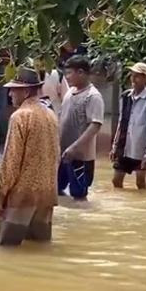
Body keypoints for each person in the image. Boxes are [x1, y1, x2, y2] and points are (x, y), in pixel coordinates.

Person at [0, 68, 59, 246]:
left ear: (26, 91)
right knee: (40, 249)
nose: (10, 94)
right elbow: (55, 156)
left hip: (23, 195)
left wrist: (1, 194)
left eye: (13, 89)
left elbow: (11, 160)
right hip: (47, 193)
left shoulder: (20, 117)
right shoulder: (51, 115)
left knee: (4, 248)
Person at [58, 55, 105, 201]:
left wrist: (75, 147)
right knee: (56, 191)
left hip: (81, 157)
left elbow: (95, 126)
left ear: (80, 72)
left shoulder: (93, 96)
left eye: (69, 73)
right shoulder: (69, 92)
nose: (67, 77)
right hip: (63, 154)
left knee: (79, 197)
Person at [110, 63, 146, 189]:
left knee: (140, 182)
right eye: (133, 75)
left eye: (138, 76)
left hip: (141, 149)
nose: (133, 79)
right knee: (116, 181)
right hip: (124, 147)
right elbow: (122, 122)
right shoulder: (125, 96)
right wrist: (115, 146)